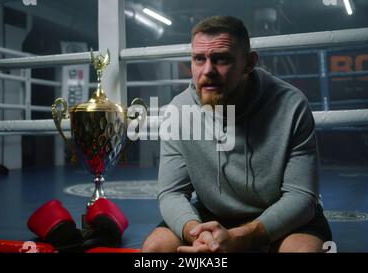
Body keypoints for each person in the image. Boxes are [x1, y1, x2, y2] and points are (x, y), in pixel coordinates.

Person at [142, 15, 332, 252]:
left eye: (221, 59)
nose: (208, 70)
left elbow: (301, 197)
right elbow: (171, 193)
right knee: (156, 250)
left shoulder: (291, 105)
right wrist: (196, 235)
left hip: (284, 214)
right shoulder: (179, 110)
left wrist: (241, 237)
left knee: (302, 251)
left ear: (249, 63)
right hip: (214, 215)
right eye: (199, 59)